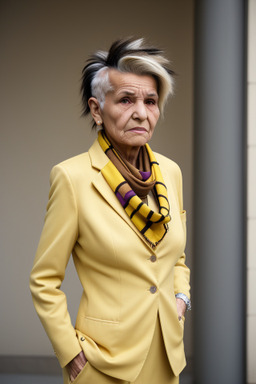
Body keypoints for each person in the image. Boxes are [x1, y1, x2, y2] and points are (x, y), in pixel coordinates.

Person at [30, 37, 191, 384]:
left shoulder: (171, 172)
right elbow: (44, 280)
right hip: (102, 363)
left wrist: (181, 299)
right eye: (126, 99)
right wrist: (71, 354)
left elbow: (175, 256)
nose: (141, 112)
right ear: (97, 109)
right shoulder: (72, 178)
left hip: (166, 356)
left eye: (151, 101)